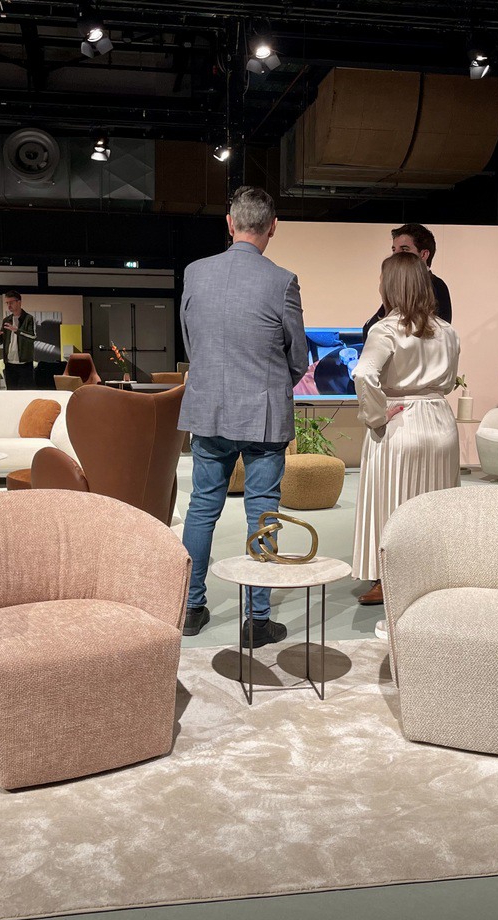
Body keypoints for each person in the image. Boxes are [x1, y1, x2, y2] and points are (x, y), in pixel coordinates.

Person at [178, 186, 309, 644]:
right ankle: (256, 620)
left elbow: (191, 342)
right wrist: (272, 383)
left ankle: (190, 608)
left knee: (201, 509)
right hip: (264, 414)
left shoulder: (195, 273)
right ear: (273, 227)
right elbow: (298, 356)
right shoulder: (283, 281)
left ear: (230, 224)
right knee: (263, 512)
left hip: (209, 409)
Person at [352, 252, 461, 608]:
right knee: (436, 506)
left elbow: (363, 374)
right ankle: (434, 575)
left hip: (401, 423)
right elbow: (448, 382)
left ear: (391, 286)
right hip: (441, 423)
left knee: (392, 505)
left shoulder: (385, 329)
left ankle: (387, 580)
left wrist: (375, 416)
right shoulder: (447, 331)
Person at [361, 224, 452, 341]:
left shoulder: (436, 286)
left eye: (404, 249)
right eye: (394, 250)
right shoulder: (399, 286)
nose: (396, 256)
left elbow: (436, 335)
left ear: (424, 254)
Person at [0, 290, 36, 389]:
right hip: (9, 364)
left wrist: (17, 330)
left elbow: (32, 337)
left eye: (11, 302)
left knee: (26, 393)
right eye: (7, 303)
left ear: (19, 302)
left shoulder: (28, 318)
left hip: (25, 364)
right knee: (11, 393)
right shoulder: (6, 320)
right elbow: (0, 342)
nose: (9, 305)